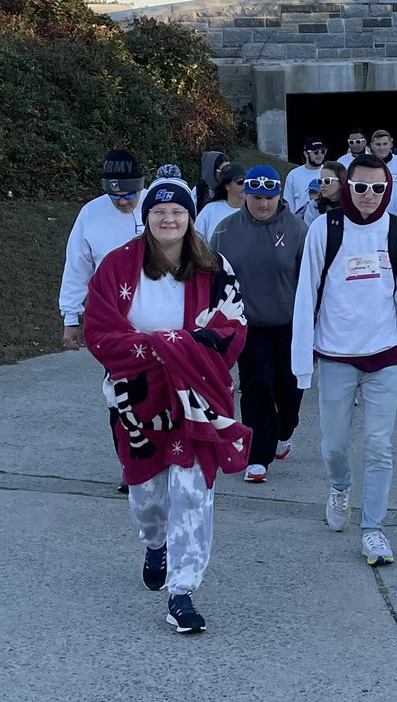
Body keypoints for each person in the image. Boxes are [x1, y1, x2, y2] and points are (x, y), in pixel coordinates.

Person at [84, 179, 250, 634]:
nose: (168, 219)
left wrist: (182, 348)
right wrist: (160, 349)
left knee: (192, 490)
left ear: (190, 217)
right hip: (138, 396)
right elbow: (99, 330)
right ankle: (154, 542)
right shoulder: (118, 266)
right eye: (159, 212)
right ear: (147, 218)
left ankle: (182, 592)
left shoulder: (214, 267)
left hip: (195, 394)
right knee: (147, 494)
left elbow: (234, 325)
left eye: (177, 211)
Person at [291, 154, 397, 566]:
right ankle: (339, 486)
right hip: (335, 356)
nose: (369, 195)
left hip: (385, 357)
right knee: (334, 445)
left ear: (389, 189)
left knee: (380, 446)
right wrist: (302, 364)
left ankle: (373, 529)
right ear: (346, 187)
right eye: (361, 187)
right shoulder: (324, 229)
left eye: (378, 188)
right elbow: (305, 296)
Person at [210, 166, 309, 483]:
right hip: (246, 326)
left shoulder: (298, 230)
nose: (263, 204)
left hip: (288, 324)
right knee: (257, 387)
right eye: (256, 197)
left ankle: (284, 431)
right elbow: (212, 278)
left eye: (269, 198)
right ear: (245, 195)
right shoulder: (225, 231)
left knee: (289, 390)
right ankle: (257, 457)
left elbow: (310, 281)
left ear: (279, 196)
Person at [58, 148, 147, 492]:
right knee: (120, 396)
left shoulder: (159, 207)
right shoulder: (91, 214)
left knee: (159, 394)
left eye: (129, 194)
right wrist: (71, 316)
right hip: (113, 322)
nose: (123, 202)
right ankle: (131, 466)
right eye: (115, 196)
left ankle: (164, 460)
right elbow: (77, 265)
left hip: (160, 318)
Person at [194, 163, 245, 241]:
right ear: (227, 186)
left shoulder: (253, 211)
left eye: (247, 182)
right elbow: (196, 239)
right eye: (240, 182)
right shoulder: (210, 210)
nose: (244, 186)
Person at [284, 137, 327, 214]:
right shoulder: (293, 175)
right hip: (300, 219)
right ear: (306, 154)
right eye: (316, 152)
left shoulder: (328, 172)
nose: (320, 155)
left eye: (323, 152)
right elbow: (288, 203)